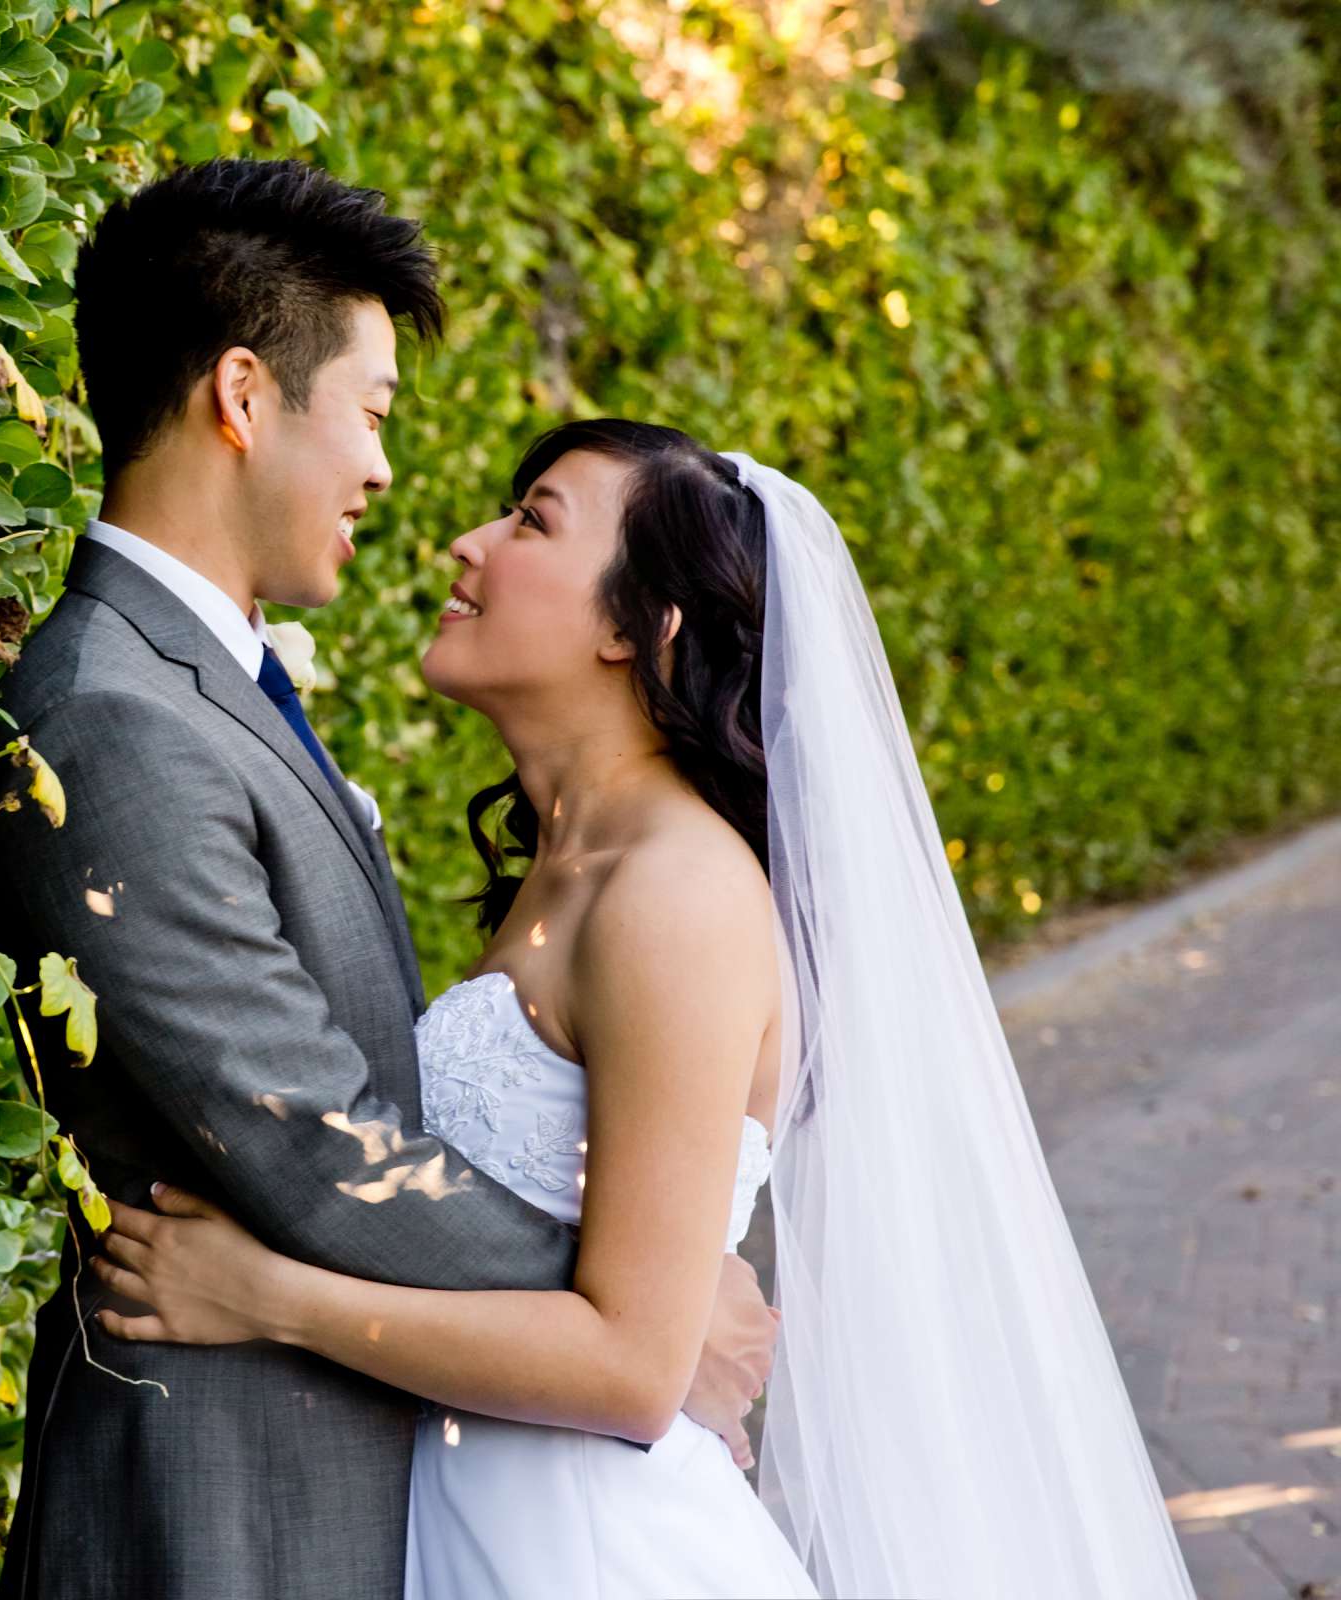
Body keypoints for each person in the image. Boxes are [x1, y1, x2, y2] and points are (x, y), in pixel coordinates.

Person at [93, 421, 1199, 1598]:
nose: (467, 545)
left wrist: (269, 1300)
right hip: (473, 1514)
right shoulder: (573, 866)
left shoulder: (675, 892)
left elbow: (631, 1366)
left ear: (639, 625)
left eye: (533, 520)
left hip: (584, 1547)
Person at [0, 169, 778, 1600]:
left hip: (414, 1486)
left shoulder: (222, 686)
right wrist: (638, 1303)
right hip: (213, 1499)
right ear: (242, 395)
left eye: (532, 521)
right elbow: (309, 1139)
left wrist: (631, 1316)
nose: (394, 477)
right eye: (375, 410)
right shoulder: (115, 712)